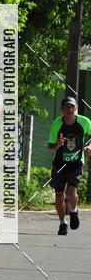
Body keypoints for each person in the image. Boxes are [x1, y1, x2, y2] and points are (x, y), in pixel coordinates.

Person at [48, 97, 91, 235]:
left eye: (72, 106)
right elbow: (50, 147)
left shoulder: (84, 122)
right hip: (59, 163)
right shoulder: (56, 124)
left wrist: (89, 146)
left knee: (71, 192)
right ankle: (62, 223)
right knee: (59, 195)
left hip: (76, 163)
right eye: (66, 106)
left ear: (76, 108)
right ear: (62, 109)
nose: (69, 109)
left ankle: (73, 210)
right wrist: (58, 145)